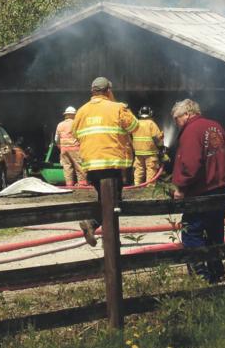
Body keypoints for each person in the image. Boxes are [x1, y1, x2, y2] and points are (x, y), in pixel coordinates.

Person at [171, 98, 225, 283]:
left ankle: (201, 278)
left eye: (176, 118)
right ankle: (217, 273)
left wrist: (181, 186)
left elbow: (191, 163)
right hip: (221, 188)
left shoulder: (191, 131)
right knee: (215, 232)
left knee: (192, 232)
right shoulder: (215, 126)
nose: (176, 123)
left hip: (202, 190)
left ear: (187, 114)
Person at [72, 77, 138, 246]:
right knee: (114, 202)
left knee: (106, 200)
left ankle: (111, 239)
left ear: (92, 91)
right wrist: (115, 103)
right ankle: (94, 226)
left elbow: (75, 134)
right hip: (112, 164)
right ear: (109, 90)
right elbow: (134, 127)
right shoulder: (118, 108)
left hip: (91, 167)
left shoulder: (81, 111)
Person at [132, 106, 165, 185]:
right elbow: (157, 138)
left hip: (138, 153)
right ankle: (149, 187)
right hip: (150, 152)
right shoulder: (152, 124)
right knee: (151, 169)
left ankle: (136, 186)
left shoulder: (136, 123)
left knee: (139, 170)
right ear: (150, 113)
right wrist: (161, 148)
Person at [55, 106, 85, 187]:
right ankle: (82, 183)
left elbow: (56, 139)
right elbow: (82, 136)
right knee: (79, 165)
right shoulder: (76, 123)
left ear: (66, 115)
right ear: (74, 115)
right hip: (75, 148)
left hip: (64, 149)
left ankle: (69, 184)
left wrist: (60, 147)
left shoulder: (60, 125)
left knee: (67, 167)